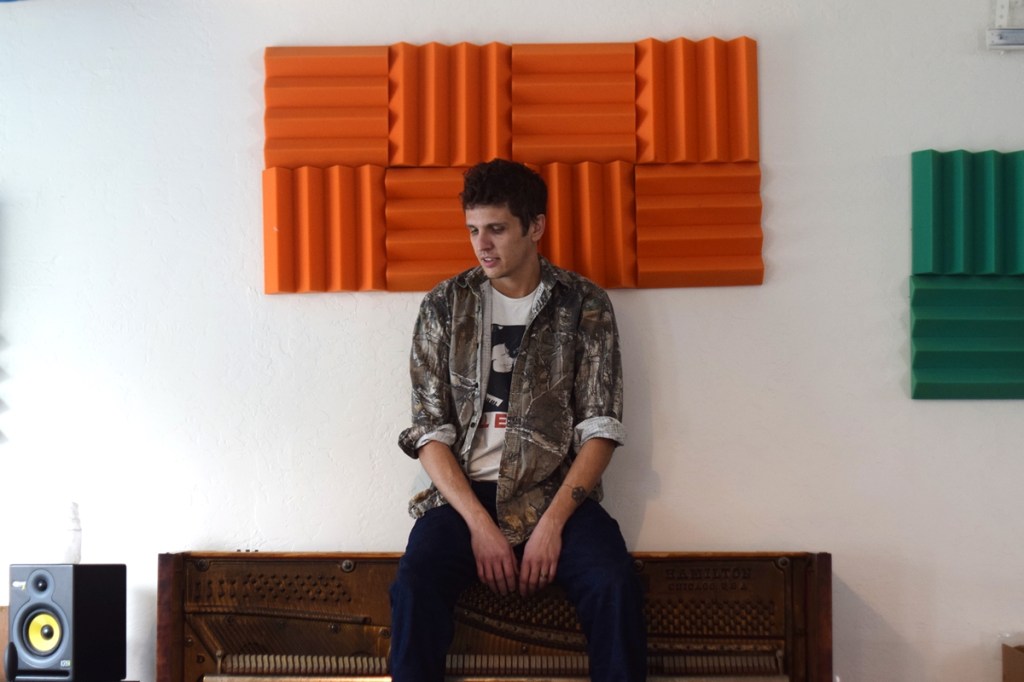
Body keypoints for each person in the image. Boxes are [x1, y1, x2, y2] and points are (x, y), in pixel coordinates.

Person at [389, 158, 647, 682]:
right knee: (414, 585)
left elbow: (600, 427)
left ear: (535, 226)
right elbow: (429, 433)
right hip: (462, 498)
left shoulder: (584, 304)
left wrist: (552, 525)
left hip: (554, 494)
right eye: (473, 230)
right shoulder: (444, 305)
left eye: (497, 229)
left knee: (614, 583)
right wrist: (479, 526)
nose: (482, 245)